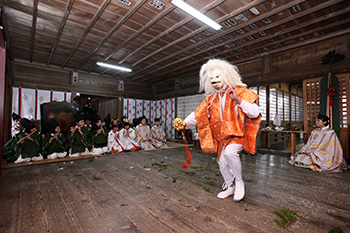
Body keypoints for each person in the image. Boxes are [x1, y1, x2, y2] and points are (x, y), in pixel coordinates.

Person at [174, 59, 261, 202]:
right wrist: (184, 123)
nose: (214, 80)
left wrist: (238, 100)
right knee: (221, 162)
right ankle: (230, 186)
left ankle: (239, 181)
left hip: (238, 134)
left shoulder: (240, 92)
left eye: (217, 76)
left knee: (230, 152)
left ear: (226, 75)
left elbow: (255, 112)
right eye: (212, 78)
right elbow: (198, 113)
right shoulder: (212, 98)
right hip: (223, 137)